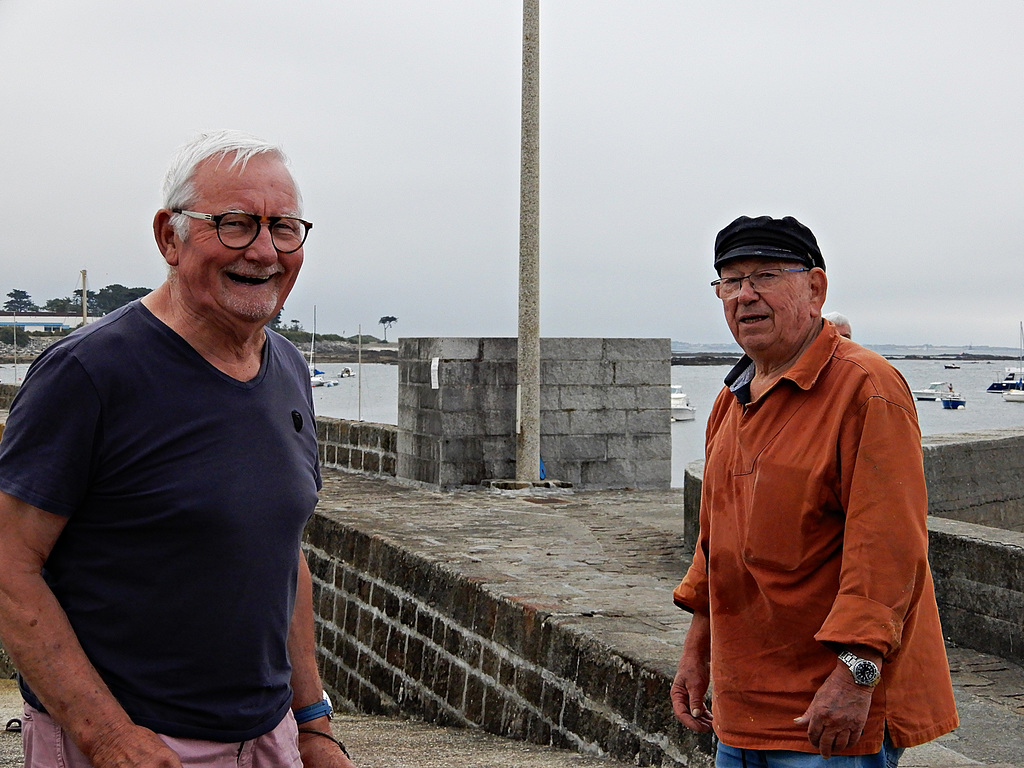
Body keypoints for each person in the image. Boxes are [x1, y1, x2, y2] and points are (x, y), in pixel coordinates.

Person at [0, 131, 355, 768]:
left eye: (285, 228)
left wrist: (312, 723)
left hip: (267, 738)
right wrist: (107, 737)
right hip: (129, 745)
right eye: (237, 225)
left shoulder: (290, 371)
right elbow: (7, 565)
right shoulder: (89, 374)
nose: (266, 251)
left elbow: (280, 553)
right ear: (171, 236)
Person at [670, 215, 957, 767]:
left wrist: (858, 671)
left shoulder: (866, 389)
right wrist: (696, 648)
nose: (745, 296)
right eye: (730, 282)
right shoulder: (731, 399)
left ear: (815, 288)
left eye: (765, 276)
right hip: (740, 710)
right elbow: (717, 545)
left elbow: (889, 549)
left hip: (829, 716)